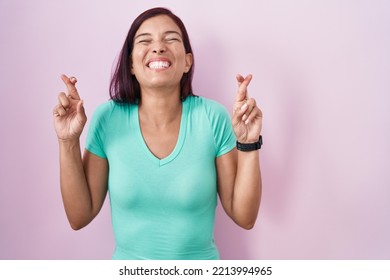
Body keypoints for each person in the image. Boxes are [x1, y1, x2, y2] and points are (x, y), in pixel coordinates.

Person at [53, 7, 263, 260]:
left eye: (171, 38)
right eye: (145, 41)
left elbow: (245, 216)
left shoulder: (212, 117)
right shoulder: (108, 118)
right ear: (131, 63)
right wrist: (68, 140)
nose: (158, 47)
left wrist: (248, 142)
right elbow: (79, 216)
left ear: (187, 61)